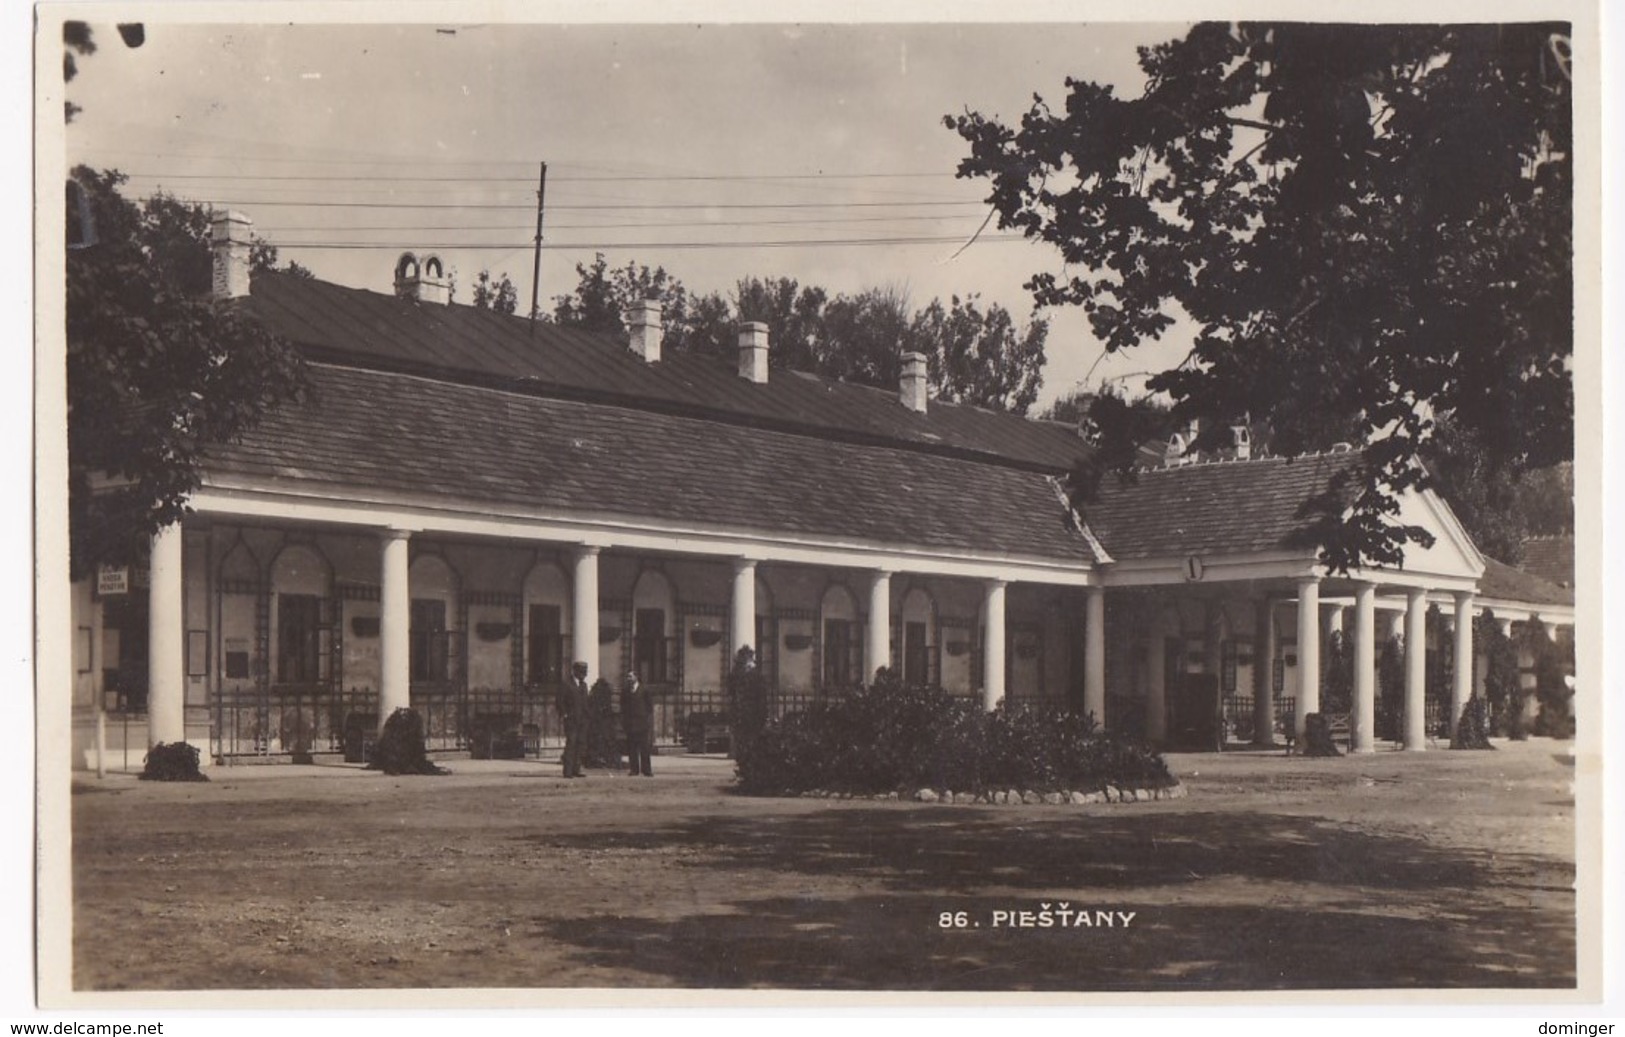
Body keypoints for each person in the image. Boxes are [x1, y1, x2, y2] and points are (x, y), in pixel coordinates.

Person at [557, 660, 590, 778]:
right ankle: (568, 771)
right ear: (574, 671)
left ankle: (577, 769)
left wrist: (587, 717)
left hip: (583, 721)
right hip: (571, 721)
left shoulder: (584, 685)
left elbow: (586, 703)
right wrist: (565, 714)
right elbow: (560, 701)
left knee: (580, 745)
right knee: (571, 744)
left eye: (585, 672)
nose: (584, 674)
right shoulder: (566, 684)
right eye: (581, 671)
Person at [620, 670, 655, 776]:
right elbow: (623, 706)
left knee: (644, 748)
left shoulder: (644, 689)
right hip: (630, 724)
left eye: (630, 676)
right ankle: (634, 770)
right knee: (632, 748)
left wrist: (646, 719)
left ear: (636, 677)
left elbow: (649, 706)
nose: (628, 679)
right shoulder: (625, 691)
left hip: (642, 723)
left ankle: (646, 770)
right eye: (627, 677)